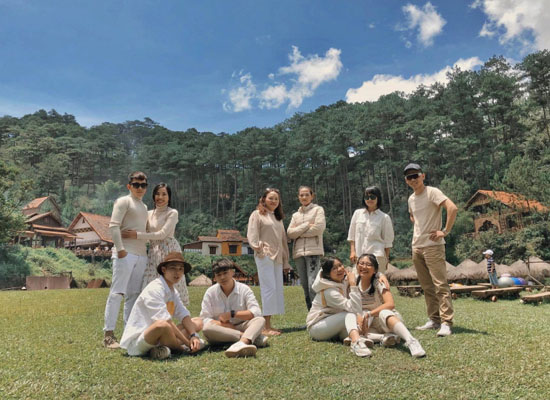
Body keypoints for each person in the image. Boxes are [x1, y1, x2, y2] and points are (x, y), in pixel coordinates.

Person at [404, 163, 458, 337]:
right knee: (427, 286)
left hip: (433, 246)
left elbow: (452, 208)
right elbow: (413, 216)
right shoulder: (411, 199)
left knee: (440, 285)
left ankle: (446, 322)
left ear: (423, 176)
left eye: (416, 175)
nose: (413, 179)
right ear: (406, 181)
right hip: (417, 246)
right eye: (409, 177)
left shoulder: (432, 192)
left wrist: (445, 231)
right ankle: (434, 320)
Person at [120, 252, 204, 359]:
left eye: (180, 269)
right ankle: (182, 349)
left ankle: (163, 349)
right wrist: (187, 343)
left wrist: (193, 335)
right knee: (162, 325)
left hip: (162, 336)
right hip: (141, 340)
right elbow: (166, 321)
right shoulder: (155, 289)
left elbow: (183, 314)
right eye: (173, 268)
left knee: (197, 322)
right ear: (164, 270)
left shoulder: (173, 291)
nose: (177, 273)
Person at [121, 183, 189, 305]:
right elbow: (145, 233)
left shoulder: (172, 213)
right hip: (153, 251)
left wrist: (136, 234)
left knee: (170, 282)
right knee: (151, 283)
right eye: (157, 194)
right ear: (153, 196)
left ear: (169, 197)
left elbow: (162, 234)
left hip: (169, 250)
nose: (160, 197)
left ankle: (172, 312)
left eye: (164, 194)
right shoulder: (148, 213)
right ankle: (152, 311)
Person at [103, 171, 149, 349]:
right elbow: (114, 226)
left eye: (143, 185)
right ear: (129, 186)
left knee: (134, 295)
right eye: (136, 184)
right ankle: (108, 335)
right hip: (125, 253)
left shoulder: (144, 206)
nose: (139, 188)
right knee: (117, 293)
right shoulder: (123, 201)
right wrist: (120, 249)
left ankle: (128, 334)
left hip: (141, 254)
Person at [355, 254, 425, 358]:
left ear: (375, 270)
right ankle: (385, 338)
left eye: (368, 265)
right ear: (356, 266)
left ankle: (411, 341)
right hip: (370, 325)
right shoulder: (354, 283)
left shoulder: (378, 282)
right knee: (354, 330)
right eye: (361, 263)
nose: (364, 267)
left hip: (387, 321)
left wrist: (369, 314)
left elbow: (390, 304)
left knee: (384, 312)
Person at [200, 259, 267, 358]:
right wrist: (225, 325)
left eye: (225, 273)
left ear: (232, 272)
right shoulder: (210, 292)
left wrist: (232, 314)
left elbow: (256, 312)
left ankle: (241, 343)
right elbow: (204, 319)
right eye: (218, 275)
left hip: (242, 325)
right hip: (221, 330)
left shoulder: (244, 289)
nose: (222, 277)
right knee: (207, 329)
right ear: (215, 277)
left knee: (260, 320)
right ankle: (250, 338)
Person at [306, 257, 371, 357]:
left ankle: (383, 338)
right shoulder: (329, 291)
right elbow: (354, 309)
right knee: (349, 315)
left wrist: (380, 276)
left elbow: (361, 272)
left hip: (333, 324)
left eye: (340, 265)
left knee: (362, 317)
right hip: (317, 328)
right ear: (328, 274)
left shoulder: (341, 282)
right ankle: (356, 343)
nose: (340, 269)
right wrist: (353, 285)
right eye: (334, 268)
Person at [247, 188, 290, 335]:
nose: (273, 201)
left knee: (276, 288)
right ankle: (265, 327)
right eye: (271, 198)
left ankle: (269, 324)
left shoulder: (278, 218)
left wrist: (286, 260)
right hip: (264, 255)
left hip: (278, 256)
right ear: (264, 199)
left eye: (276, 199)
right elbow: (252, 234)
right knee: (268, 288)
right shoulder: (257, 214)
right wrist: (258, 249)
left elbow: (283, 240)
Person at [287, 186, 326, 310]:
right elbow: (290, 233)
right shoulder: (295, 215)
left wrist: (298, 233)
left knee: (312, 284)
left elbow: (319, 228)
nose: (304, 197)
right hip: (298, 253)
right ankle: (311, 313)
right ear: (298, 197)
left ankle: (318, 313)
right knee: (304, 285)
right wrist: (306, 225)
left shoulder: (318, 210)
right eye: (301, 195)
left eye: (307, 195)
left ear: (312, 196)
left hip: (313, 251)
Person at [348, 186, 394, 273]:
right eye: (367, 197)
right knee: (357, 279)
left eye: (372, 197)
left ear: (378, 198)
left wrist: (386, 259)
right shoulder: (357, 214)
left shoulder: (384, 217)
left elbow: (388, 242)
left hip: (377, 256)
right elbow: (352, 235)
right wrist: (352, 251)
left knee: (377, 280)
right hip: (360, 256)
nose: (369, 199)